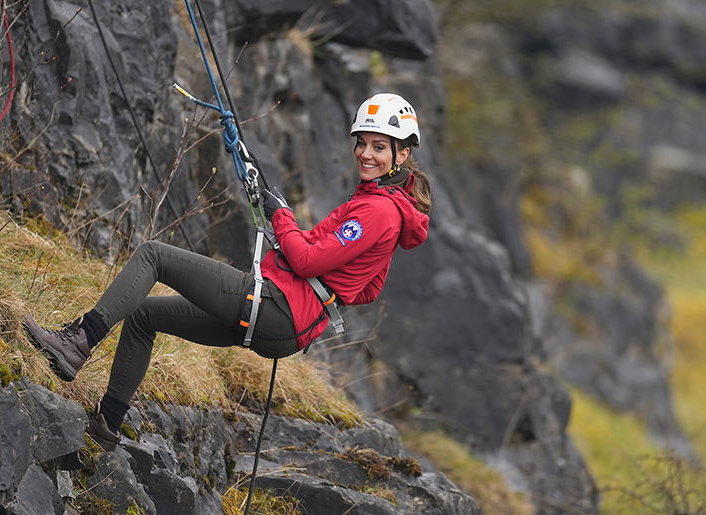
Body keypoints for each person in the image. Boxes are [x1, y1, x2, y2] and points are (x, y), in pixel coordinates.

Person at [24, 93, 431, 450]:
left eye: (380, 147)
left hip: (276, 308)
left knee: (153, 255)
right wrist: (320, 293)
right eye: (363, 144)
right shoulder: (386, 207)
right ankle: (107, 424)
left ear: (403, 154)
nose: (366, 154)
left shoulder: (377, 210)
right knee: (144, 317)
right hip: (283, 321)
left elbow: (308, 260)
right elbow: (368, 287)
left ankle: (78, 342)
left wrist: (282, 218)